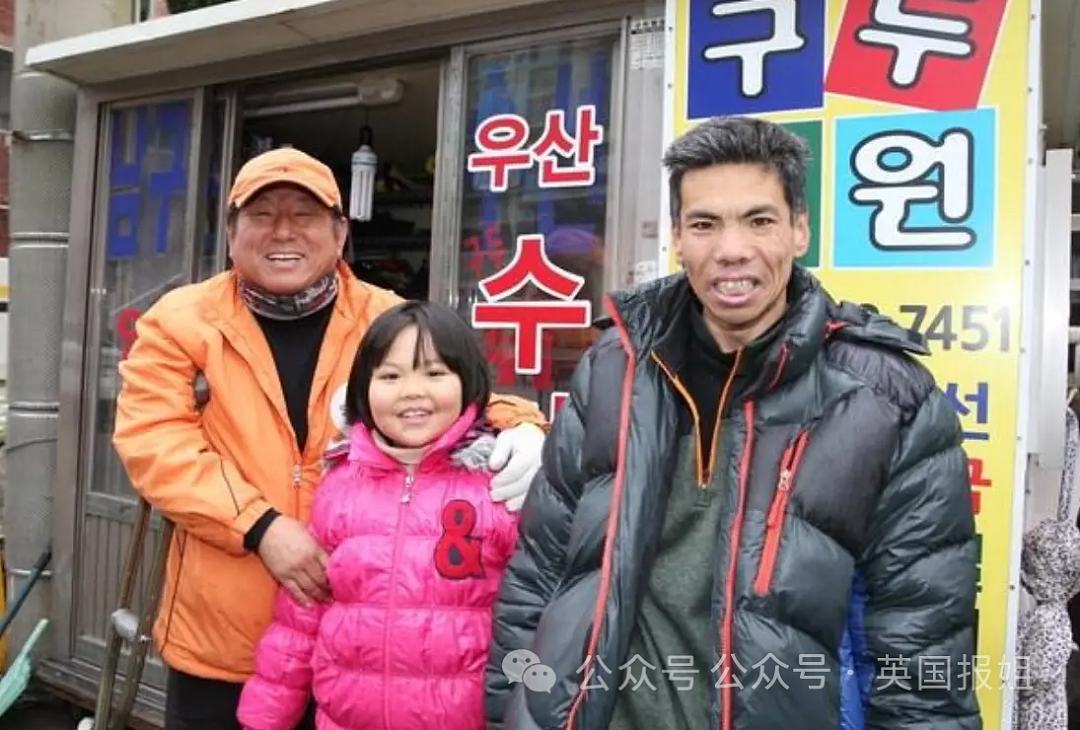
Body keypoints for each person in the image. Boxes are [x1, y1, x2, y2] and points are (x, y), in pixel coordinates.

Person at [485, 116, 981, 730]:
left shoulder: (887, 397)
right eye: (704, 224)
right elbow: (539, 576)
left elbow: (923, 644)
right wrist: (513, 713)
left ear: (799, 230)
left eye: (759, 220)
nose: (731, 250)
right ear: (677, 237)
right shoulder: (611, 369)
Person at [112, 147, 547, 730]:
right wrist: (261, 526)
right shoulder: (180, 320)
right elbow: (154, 441)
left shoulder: (385, 315)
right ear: (232, 230)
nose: (283, 231)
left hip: (361, 647)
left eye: (306, 215)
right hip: (224, 634)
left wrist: (524, 423)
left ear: (340, 231)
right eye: (262, 215)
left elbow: (453, 388)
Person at [236, 300, 522, 730]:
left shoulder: (500, 486)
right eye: (390, 375)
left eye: (434, 372)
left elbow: (535, 618)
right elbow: (301, 615)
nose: (412, 391)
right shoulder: (341, 484)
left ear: (468, 381)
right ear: (361, 390)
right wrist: (265, 716)